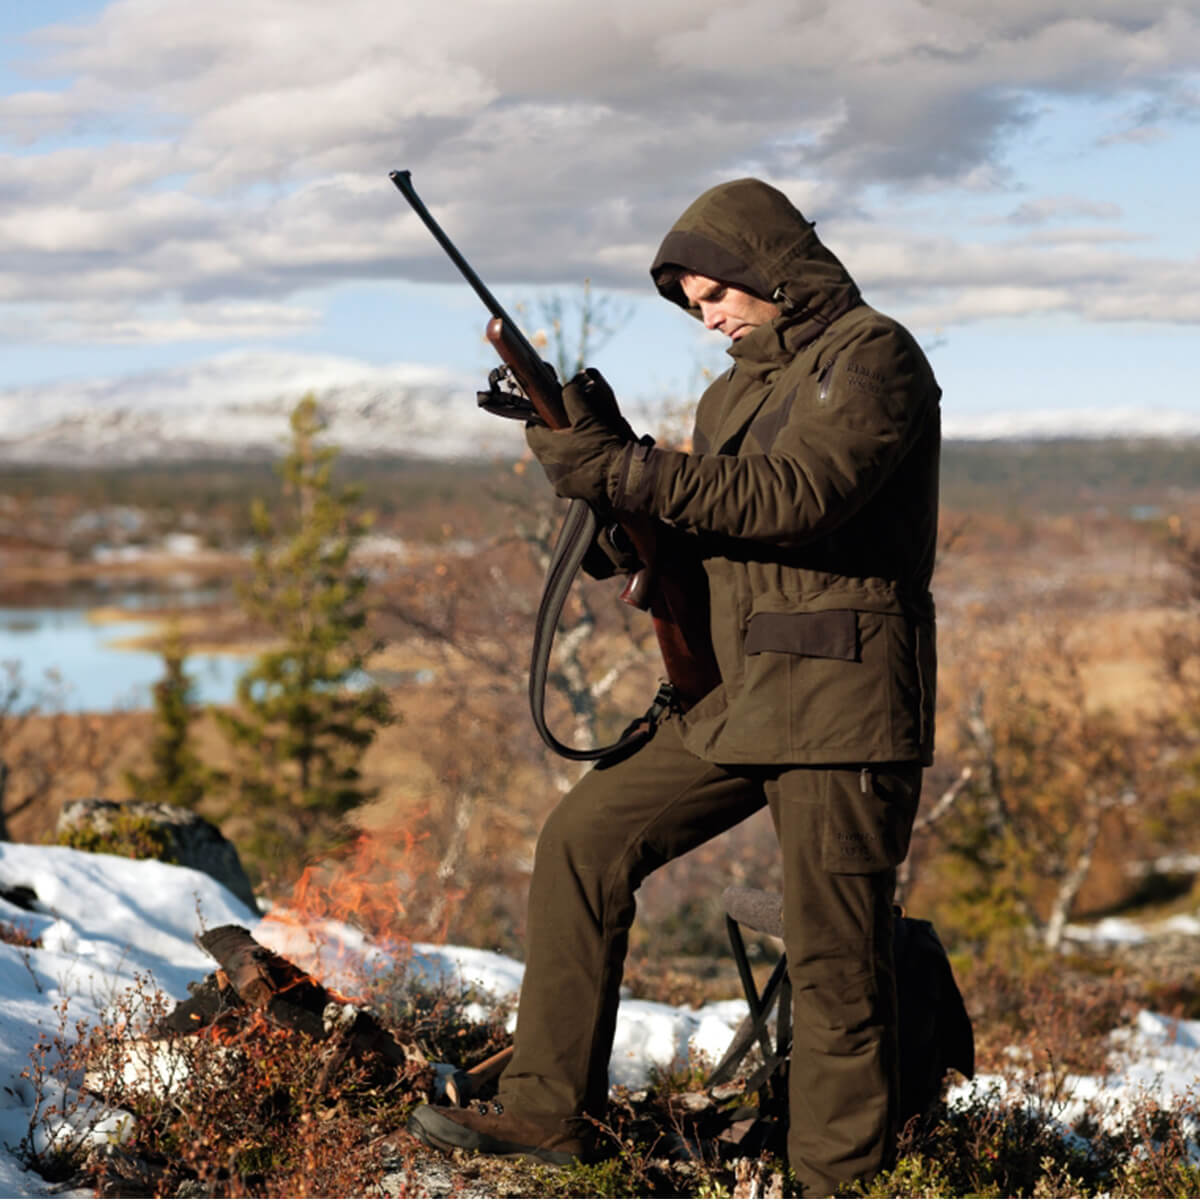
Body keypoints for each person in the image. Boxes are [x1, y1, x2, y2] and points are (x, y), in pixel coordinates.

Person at [408, 177, 942, 1196]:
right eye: (696, 306)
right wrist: (608, 504)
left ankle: (837, 1182)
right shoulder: (733, 389)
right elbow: (704, 535)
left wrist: (628, 470)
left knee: (836, 964)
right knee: (583, 842)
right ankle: (547, 1111)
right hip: (738, 699)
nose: (712, 319)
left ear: (773, 269)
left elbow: (797, 500)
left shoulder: (875, 356)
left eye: (719, 295)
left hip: (841, 705)